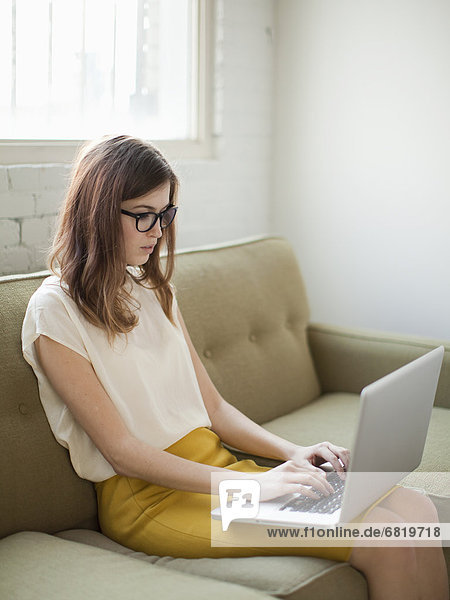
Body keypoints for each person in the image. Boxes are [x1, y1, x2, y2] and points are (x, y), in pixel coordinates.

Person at [21, 135, 448, 600]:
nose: (157, 232)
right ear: (98, 212)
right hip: (149, 499)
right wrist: (253, 484)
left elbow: (216, 410)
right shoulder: (54, 313)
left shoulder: (155, 291)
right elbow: (122, 451)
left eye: (165, 215)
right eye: (143, 215)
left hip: (219, 470)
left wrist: (294, 453)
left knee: (417, 510)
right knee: (384, 541)